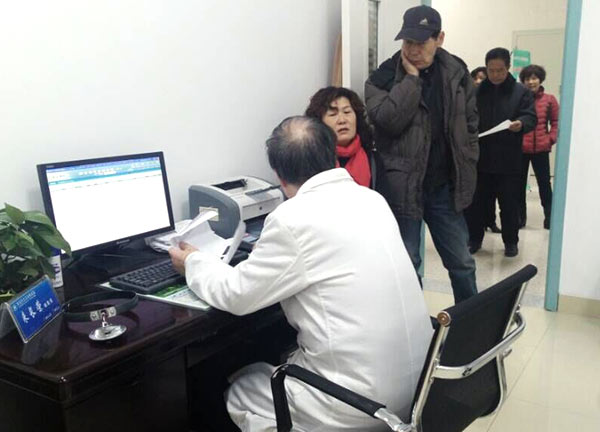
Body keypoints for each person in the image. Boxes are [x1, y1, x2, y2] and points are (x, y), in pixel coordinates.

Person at [170, 116, 433, 431]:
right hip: (420, 388)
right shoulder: (372, 199)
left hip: (361, 405)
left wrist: (194, 262)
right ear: (332, 156)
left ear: (279, 177)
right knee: (276, 355)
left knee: (240, 389)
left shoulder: (292, 219)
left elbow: (236, 295)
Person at [364, 5, 478, 304]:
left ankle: (473, 323)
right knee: (407, 264)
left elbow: (470, 123)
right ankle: (413, 324)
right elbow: (387, 120)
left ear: (439, 38)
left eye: (421, 42)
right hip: (402, 189)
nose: (413, 50)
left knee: (462, 263)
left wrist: (468, 158)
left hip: (444, 187)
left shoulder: (457, 72)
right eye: (408, 42)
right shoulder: (383, 76)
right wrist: (411, 80)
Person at [466, 48, 536, 257]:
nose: (495, 75)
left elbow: (531, 117)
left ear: (508, 68)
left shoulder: (520, 92)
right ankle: (474, 239)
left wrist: (521, 123)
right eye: (491, 70)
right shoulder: (477, 91)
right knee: (477, 204)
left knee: (509, 204)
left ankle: (511, 242)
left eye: (500, 70)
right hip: (481, 158)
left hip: (509, 159)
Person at [305, 86, 377, 188]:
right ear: (319, 123)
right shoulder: (311, 161)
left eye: (347, 112)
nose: (342, 120)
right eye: (333, 114)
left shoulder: (373, 160)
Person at [518, 64, 559, 229]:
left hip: (541, 149)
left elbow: (556, 121)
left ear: (540, 79)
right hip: (520, 149)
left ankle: (550, 217)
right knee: (518, 185)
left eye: (534, 78)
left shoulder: (550, 99)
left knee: (544, 184)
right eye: (527, 79)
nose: (531, 82)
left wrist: (551, 139)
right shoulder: (519, 99)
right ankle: (520, 218)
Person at [472, 67, 502, 234]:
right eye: (475, 77)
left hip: (494, 153)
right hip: (474, 153)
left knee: (491, 194)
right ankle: (476, 231)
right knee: (477, 195)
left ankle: (490, 221)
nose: (478, 81)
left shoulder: (492, 97)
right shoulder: (470, 97)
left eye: (482, 78)